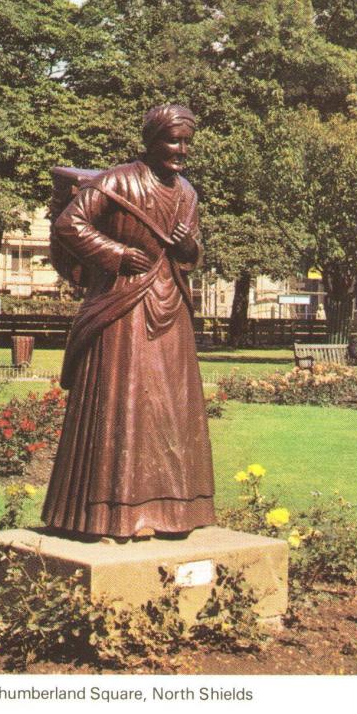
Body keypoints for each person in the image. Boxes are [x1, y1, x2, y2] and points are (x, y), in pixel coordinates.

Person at [43, 103, 214, 539]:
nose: (181, 150)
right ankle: (113, 513)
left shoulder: (187, 192)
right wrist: (117, 254)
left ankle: (175, 511)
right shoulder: (118, 180)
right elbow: (69, 224)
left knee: (173, 409)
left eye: (187, 142)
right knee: (124, 402)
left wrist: (187, 247)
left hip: (170, 304)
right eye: (172, 141)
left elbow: (194, 254)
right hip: (125, 303)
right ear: (152, 141)